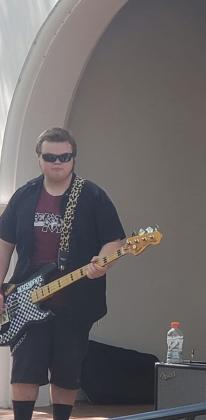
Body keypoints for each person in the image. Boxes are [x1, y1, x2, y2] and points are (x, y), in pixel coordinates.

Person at [0, 128, 125, 420]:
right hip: (26, 297)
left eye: (65, 157)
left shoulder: (92, 196)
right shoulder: (25, 195)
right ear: (39, 158)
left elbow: (115, 240)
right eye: (51, 157)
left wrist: (103, 263)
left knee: (66, 373)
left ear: (74, 158)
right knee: (24, 371)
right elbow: (4, 243)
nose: (58, 162)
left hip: (75, 301)